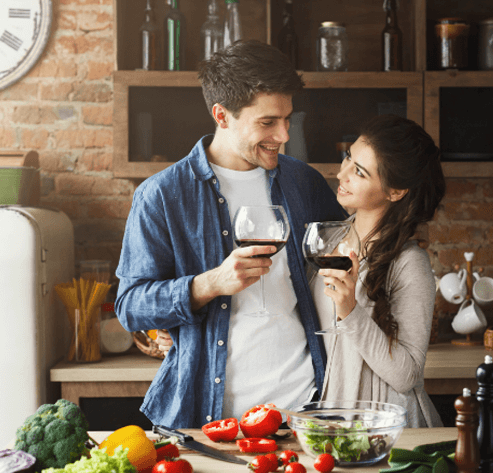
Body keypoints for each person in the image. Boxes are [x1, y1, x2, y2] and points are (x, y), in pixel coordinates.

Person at [115, 40, 346, 428]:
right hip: (211, 414)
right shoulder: (162, 195)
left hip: (306, 408)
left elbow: (349, 258)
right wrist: (210, 283)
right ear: (222, 115)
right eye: (268, 122)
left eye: (288, 119)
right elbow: (131, 306)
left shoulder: (302, 182)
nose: (285, 135)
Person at [312, 114, 445, 427]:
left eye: (359, 172)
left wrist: (350, 310)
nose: (341, 173)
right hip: (334, 420)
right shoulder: (326, 239)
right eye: (347, 158)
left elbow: (406, 375)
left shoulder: (409, 263)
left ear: (395, 191)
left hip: (388, 426)